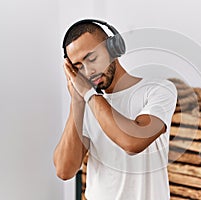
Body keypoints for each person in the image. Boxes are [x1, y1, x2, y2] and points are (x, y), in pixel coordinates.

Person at [53, 19, 177, 200]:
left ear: (113, 48)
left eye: (92, 58)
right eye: (78, 66)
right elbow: (65, 170)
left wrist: (87, 95)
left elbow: (133, 142)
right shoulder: (87, 103)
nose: (88, 71)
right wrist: (77, 102)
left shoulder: (158, 89)